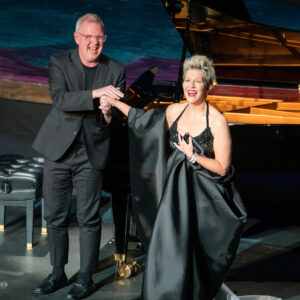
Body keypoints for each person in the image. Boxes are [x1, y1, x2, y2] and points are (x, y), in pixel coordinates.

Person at [100, 55, 247, 299]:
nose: (190, 86)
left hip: (202, 201)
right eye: (187, 80)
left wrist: (193, 156)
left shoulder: (218, 121)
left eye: (197, 82)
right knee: (167, 250)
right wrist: (116, 105)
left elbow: (222, 167)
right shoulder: (174, 111)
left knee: (193, 255)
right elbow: (142, 121)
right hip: (173, 197)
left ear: (208, 86)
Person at [32, 13, 125, 300]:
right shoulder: (59, 62)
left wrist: (108, 111)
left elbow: (111, 121)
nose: (94, 43)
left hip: (92, 150)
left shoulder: (116, 69)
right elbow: (60, 100)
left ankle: (86, 278)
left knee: (89, 218)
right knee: (55, 217)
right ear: (77, 38)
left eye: (99, 38)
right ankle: (57, 273)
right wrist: (97, 93)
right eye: (88, 37)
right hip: (58, 151)